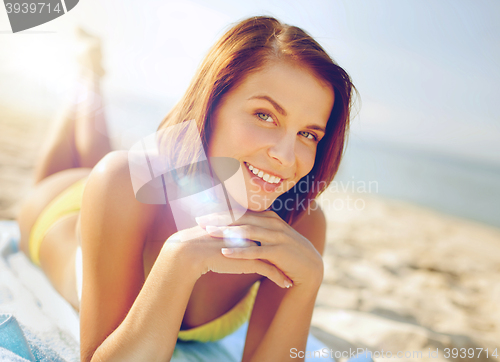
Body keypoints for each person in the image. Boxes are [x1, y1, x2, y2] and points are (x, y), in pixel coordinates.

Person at [16, 16, 355, 362]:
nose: (285, 157)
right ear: (213, 103)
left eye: (308, 134)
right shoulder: (119, 182)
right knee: (93, 154)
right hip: (57, 207)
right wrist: (177, 263)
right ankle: (87, 76)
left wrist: (307, 283)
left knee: (99, 155)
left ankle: (90, 76)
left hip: (133, 187)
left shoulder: (301, 224)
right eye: (264, 115)